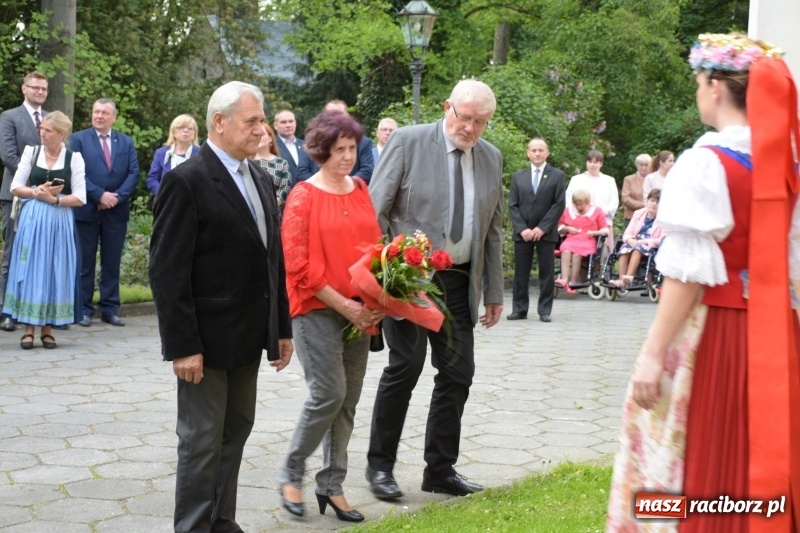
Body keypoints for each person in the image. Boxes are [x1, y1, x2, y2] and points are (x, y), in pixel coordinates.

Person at [607, 34, 800, 532]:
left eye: (698, 82)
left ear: (716, 86)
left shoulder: (706, 161)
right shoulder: (788, 166)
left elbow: (686, 275)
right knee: (759, 456)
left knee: (702, 458)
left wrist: (652, 354)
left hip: (713, 335)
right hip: (778, 334)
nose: (697, 92)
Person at [149, 81, 293, 533]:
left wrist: (281, 328)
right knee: (201, 441)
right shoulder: (185, 181)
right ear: (219, 122)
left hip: (248, 338)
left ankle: (221, 520)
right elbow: (167, 272)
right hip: (204, 344)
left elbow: (273, 258)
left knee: (235, 433)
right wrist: (183, 346)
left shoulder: (262, 178)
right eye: (251, 121)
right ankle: (193, 527)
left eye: (261, 120)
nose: (260, 129)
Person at [366, 79, 504, 500]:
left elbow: (494, 230)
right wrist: (378, 278)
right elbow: (375, 209)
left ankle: (440, 470)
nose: (471, 129)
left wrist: (494, 290)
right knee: (405, 367)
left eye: (481, 122)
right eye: (465, 118)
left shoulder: (491, 157)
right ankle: (380, 468)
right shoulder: (408, 142)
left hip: (460, 281)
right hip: (410, 279)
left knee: (459, 374)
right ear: (447, 107)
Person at [278, 110, 383, 522]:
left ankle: (332, 485)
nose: (347, 157)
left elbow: (374, 249)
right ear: (321, 152)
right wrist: (348, 307)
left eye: (352, 148)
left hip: (361, 310)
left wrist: (380, 297)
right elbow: (299, 268)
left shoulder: (360, 188)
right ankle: (291, 468)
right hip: (317, 307)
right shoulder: (302, 195)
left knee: (349, 400)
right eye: (338, 150)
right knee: (329, 393)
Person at [3, 111, 86, 349]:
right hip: (33, 218)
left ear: (61, 134)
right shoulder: (32, 152)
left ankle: (48, 329)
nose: (42, 133)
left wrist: (56, 200)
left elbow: (81, 197)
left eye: (47, 130)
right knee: (30, 268)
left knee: (54, 269)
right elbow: (16, 186)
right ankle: (28, 329)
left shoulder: (74, 158)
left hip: (59, 220)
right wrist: (37, 192)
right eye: (41, 129)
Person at [69, 98, 140, 328]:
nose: (99, 116)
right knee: (85, 263)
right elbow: (76, 172)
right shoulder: (78, 139)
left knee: (112, 262)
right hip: (87, 210)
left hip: (116, 213)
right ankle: (84, 309)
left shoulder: (126, 142)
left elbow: (133, 173)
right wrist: (99, 195)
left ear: (113, 117)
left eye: (104, 112)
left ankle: (110, 309)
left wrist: (116, 197)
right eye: (96, 112)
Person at [0, 71, 49, 333]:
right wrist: (35, 183)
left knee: (39, 255)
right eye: (35, 88)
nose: (40, 92)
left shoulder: (51, 119)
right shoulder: (9, 117)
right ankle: (7, 312)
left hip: (47, 198)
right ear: (24, 89)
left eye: (44, 89)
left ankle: (37, 311)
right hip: (18, 195)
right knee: (13, 252)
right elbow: (8, 156)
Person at [507, 137, 566, 321]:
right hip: (523, 234)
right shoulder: (518, 176)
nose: (537, 153)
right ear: (528, 153)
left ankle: (545, 310)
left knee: (546, 273)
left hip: (546, 233)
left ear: (547, 152)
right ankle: (519, 309)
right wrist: (522, 228)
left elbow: (558, 204)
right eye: (534, 150)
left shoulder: (557, 175)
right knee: (520, 273)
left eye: (541, 150)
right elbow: (512, 205)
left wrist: (543, 227)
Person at [295, 100, 374, 184]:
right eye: (331, 115)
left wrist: (344, 185)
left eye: (340, 115)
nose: (337, 120)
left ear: (348, 116)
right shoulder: (313, 141)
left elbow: (367, 171)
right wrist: (325, 185)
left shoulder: (363, 142)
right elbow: (302, 172)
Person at [554, 189, 608, 293]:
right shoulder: (567, 211)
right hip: (572, 238)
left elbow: (605, 229)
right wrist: (568, 229)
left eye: (581, 204)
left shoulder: (597, 211)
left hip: (588, 239)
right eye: (576, 204)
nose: (579, 207)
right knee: (565, 250)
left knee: (576, 255)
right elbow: (559, 225)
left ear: (588, 203)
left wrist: (594, 233)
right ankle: (565, 279)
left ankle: (573, 281)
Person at [611, 189, 664, 289]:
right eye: (652, 200)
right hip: (634, 242)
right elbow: (627, 233)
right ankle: (622, 280)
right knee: (624, 249)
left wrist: (645, 242)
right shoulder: (638, 213)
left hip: (650, 246)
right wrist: (628, 240)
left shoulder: (664, 219)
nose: (654, 204)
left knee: (637, 249)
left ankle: (629, 277)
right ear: (647, 201)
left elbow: (662, 239)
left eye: (657, 202)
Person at [145, 114, 201, 198]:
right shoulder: (161, 153)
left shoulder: (200, 154)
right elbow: (152, 179)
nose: (186, 130)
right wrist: (163, 194)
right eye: (181, 127)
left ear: (194, 134)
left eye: (190, 128)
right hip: (165, 202)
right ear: (173, 132)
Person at [565, 150, 619, 228]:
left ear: (601, 163)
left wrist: (604, 212)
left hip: (602, 221)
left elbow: (614, 201)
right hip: (578, 220)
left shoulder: (609, 181)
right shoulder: (576, 179)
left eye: (595, 162)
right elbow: (568, 198)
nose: (592, 165)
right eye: (590, 162)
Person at [254, 121, 292, 207]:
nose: (258, 137)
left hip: (274, 212)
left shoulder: (282, 163)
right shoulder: (246, 161)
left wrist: (270, 206)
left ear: (270, 138)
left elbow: (285, 188)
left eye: (262, 134)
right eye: (256, 135)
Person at [274, 109, 312, 180]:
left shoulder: (305, 145)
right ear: (275, 126)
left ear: (295, 123)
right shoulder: (272, 146)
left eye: (291, 121)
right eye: (283, 122)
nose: (288, 125)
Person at [620, 153, 651, 229]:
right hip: (632, 217)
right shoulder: (628, 179)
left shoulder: (653, 179)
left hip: (650, 217)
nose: (643, 167)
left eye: (646, 165)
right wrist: (644, 205)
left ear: (650, 165)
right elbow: (625, 199)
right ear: (637, 165)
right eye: (641, 165)